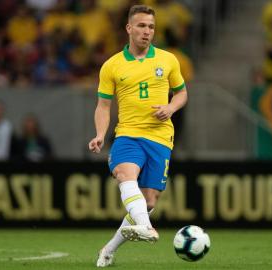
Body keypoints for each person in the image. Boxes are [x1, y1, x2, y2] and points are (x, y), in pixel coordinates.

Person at [88, 5, 188, 267]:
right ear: (129, 28)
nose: (147, 31)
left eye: (151, 27)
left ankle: (108, 249)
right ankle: (146, 226)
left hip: (160, 138)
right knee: (124, 173)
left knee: (149, 200)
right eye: (142, 26)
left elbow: (182, 93)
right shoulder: (112, 66)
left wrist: (171, 107)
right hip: (128, 135)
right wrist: (100, 134)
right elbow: (104, 105)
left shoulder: (168, 60)